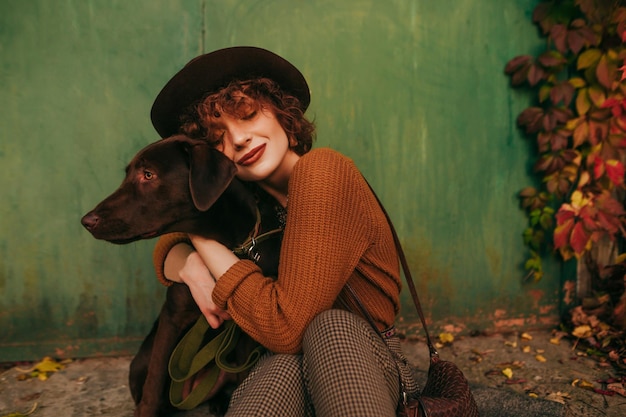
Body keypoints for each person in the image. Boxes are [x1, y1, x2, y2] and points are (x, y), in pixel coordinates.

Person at [150, 46, 419, 416]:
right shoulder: (252, 202)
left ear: (281, 112)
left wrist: (202, 240)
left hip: (361, 359)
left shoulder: (322, 171)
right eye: (217, 138)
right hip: (287, 365)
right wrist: (190, 263)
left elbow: (287, 328)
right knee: (273, 374)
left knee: (327, 328)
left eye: (247, 115)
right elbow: (167, 240)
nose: (239, 139)